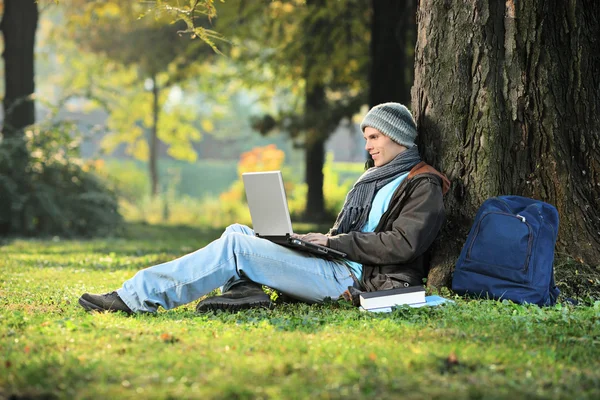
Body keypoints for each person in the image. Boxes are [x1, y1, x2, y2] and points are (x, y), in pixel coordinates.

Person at [78, 102, 450, 315]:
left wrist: (333, 243)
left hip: (352, 281)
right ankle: (246, 293)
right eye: (366, 138)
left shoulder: (422, 183)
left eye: (374, 137)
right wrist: (317, 242)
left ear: (398, 136)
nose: (368, 146)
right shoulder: (377, 177)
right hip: (336, 263)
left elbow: (403, 244)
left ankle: (134, 298)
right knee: (239, 231)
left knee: (236, 248)